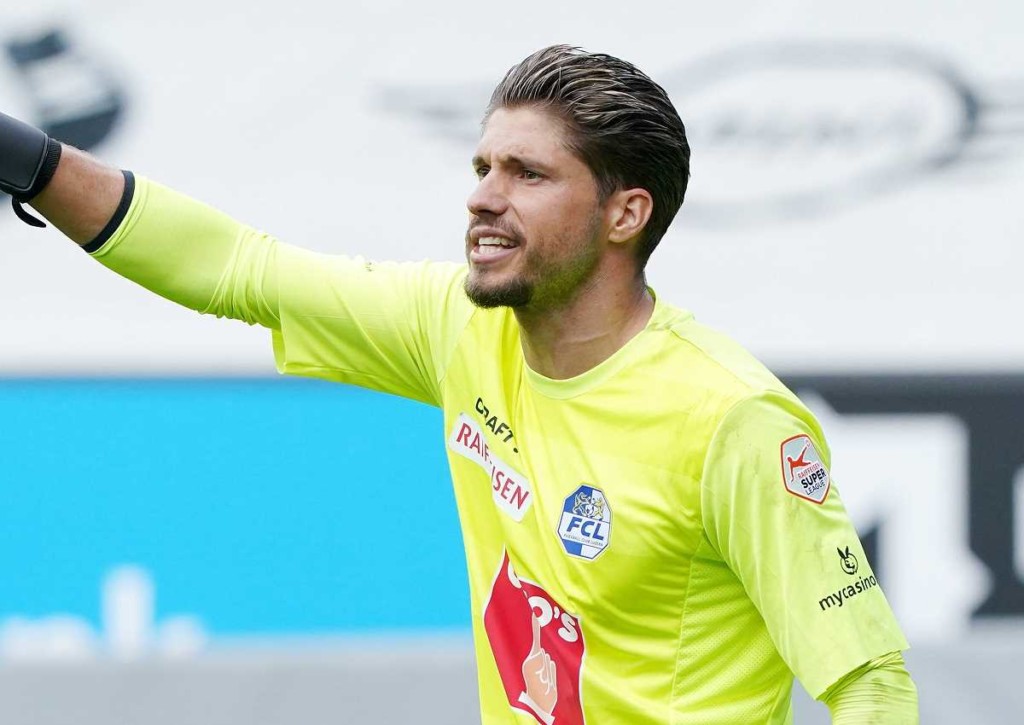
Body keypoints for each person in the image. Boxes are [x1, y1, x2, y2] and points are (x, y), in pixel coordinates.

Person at [0, 45, 917, 724]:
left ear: (624, 213)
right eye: (482, 167)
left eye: (528, 173)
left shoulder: (732, 418)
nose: (482, 195)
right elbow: (238, 268)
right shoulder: (460, 326)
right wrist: (31, 164)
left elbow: (871, 684)